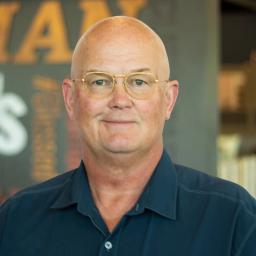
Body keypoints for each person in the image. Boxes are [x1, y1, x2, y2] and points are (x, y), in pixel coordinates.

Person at [0, 16, 255, 256]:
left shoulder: (233, 219)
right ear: (70, 99)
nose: (120, 100)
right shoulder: (15, 221)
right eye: (99, 81)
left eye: (139, 82)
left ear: (168, 99)